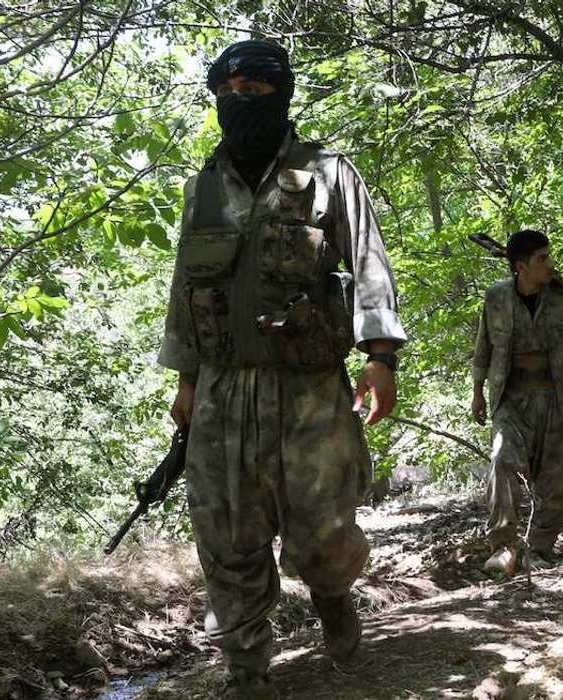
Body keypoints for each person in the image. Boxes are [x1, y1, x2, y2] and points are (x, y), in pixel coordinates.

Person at [157, 40, 407, 696]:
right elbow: (186, 287)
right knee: (226, 536)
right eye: (228, 86)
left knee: (323, 533)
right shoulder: (203, 187)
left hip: (309, 387)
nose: (240, 96)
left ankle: (330, 595)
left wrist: (380, 358)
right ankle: (247, 671)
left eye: (256, 86)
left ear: (283, 93)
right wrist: (185, 381)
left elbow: (370, 266)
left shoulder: (329, 174)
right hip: (221, 387)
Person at [471, 229, 563, 576]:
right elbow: (484, 347)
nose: (550, 264)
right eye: (542, 259)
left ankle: (540, 549)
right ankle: (503, 547)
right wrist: (476, 391)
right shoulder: (496, 298)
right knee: (502, 462)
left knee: (558, 479)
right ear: (520, 266)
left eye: (549, 256)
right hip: (510, 401)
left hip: (556, 400)